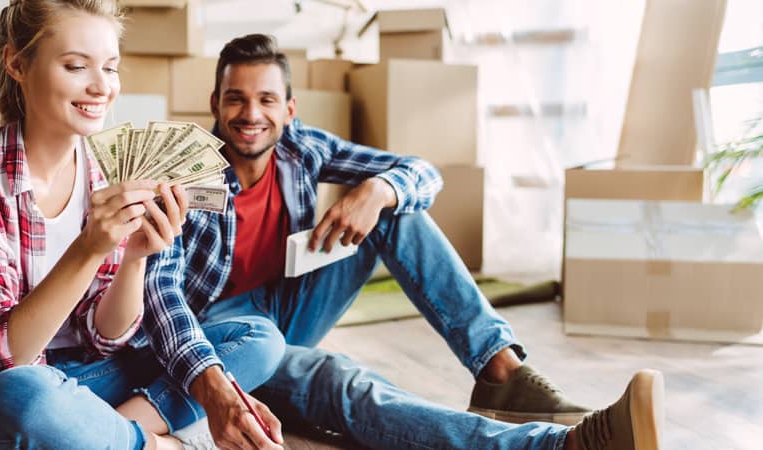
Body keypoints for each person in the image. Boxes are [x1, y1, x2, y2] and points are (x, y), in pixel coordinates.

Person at [143, 33, 666, 450]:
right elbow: (161, 295)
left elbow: (423, 173)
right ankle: (560, 447)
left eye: (266, 100)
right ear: (214, 103)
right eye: (235, 99)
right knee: (342, 382)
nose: (250, 115)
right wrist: (207, 380)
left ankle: (500, 368)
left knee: (397, 212)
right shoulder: (188, 169)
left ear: (289, 109)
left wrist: (378, 189)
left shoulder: (301, 151)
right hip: (226, 335)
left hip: (289, 302)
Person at [0, 3, 285, 450]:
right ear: (16, 63)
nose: (101, 87)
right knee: (25, 397)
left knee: (258, 339)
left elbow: (104, 338)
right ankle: (151, 442)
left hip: (90, 378)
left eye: (110, 68)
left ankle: (97, 431)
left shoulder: (105, 171)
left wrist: (134, 257)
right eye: (75, 66)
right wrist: (89, 248)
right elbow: (4, 355)